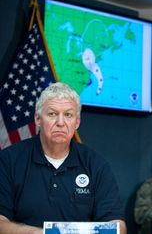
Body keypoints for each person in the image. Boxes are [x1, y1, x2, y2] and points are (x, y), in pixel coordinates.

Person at [0, 82, 126, 234]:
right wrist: (38, 233)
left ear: (77, 122)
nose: (60, 123)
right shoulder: (8, 160)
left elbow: (117, 225)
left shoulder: (96, 165)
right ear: (38, 119)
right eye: (52, 114)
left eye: (68, 115)